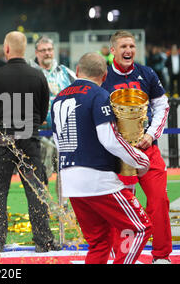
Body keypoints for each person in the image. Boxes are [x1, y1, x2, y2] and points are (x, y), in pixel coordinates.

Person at [51, 52, 152, 264]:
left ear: (77, 71)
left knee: (99, 242)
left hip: (70, 180)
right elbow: (110, 139)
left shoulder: (59, 98)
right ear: (105, 75)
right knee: (141, 228)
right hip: (98, 179)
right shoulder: (99, 95)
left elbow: (58, 142)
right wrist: (140, 160)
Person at [0, 31, 60, 253]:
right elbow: (44, 112)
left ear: (6, 49)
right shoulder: (38, 76)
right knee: (36, 191)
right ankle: (43, 241)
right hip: (29, 141)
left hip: (3, 140)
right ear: (25, 50)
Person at [102, 30, 172, 264]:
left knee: (159, 201)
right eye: (123, 46)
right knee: (120, 206)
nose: (128, 50)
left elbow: (162, 106)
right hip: (116, 154)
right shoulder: (102, 77)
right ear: (112, 50)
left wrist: (151, 135)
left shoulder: (147, 73)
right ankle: (123, 257)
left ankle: (161, 256)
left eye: (131, 46)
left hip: (146, 149)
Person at [28, 36, 76, 180]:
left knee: (66, 172)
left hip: (64, 132)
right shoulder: (30, 74)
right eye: (43, 50)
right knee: (41, 173)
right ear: (37, 53)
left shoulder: (65, 72)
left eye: (49, 50)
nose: (47, 53)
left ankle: (64, 202)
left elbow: (79, 93)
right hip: (39, 134)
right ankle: (42, 202)